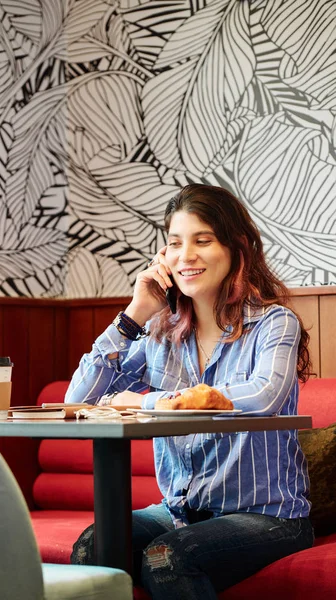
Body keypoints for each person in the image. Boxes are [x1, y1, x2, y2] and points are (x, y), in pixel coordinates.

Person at [66, 184, 314, 599]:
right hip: (179, 513)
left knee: (167, 556)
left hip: (269, 517)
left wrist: (149, 402)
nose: (186, 256)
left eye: (203, 240)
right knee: (95, 545)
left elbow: (262, 395)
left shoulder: (273, 323)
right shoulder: (159, 334)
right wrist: (134, 315)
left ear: (237, 248)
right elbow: (78, 400)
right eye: (175, 243)